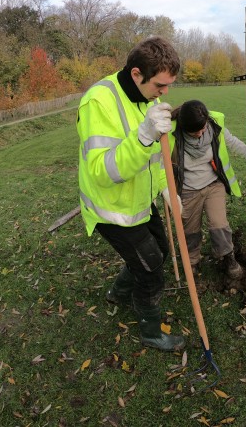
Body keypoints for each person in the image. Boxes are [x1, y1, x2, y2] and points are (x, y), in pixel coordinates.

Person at [76, 36, 185, 352]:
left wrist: (166, 187)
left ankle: (119, 293)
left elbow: (155, 156)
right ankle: (151, 332)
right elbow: (102, 171)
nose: (165, 93)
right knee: (151, 269)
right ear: (137, 74)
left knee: (160, 252)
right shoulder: (98, 102)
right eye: (160, 85)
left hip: (140, 199)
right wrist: (143, 136)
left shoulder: (147, 97)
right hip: (111, 208)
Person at [169, 99, 246, 280]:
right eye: (195, 131)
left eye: (202, 128)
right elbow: (158, 163)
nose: (200, 133)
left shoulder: (213, 125)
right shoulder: (171, 134)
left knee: (219, 224)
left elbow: (233, 142)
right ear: (183, 127)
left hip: (213, 184)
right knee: (190, 231)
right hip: (188, 191)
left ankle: (228, 258)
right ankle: (192, 262)